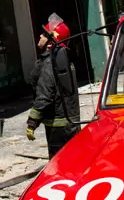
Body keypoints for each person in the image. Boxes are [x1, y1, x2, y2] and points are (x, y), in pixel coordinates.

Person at [26, 14, 80, 158]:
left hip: (58, 127)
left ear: (51, 41)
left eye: (44, 34)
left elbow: (45, 95)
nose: (40, 36)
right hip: (70, 123)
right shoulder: (64, 59)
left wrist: (32, 122)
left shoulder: (50, 62)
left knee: (59, 162)